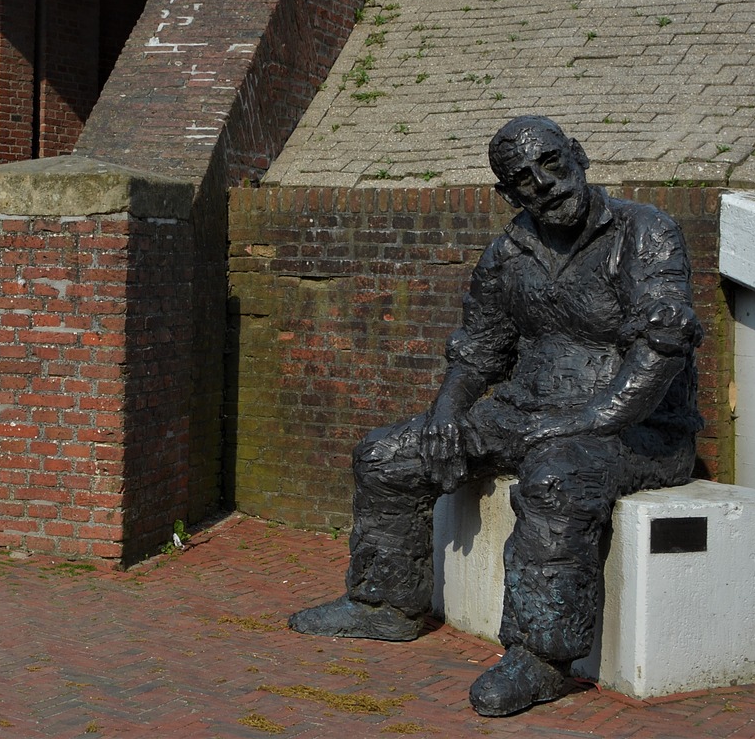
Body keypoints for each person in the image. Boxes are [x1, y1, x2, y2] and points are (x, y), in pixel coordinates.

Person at [288, 116, 702, 717]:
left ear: (578, 156)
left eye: (552, 164)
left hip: (633, 426)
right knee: (385, 457)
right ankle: (384, 604)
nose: (545, 184)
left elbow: (662, 346)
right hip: (525, 411)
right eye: (523, 180)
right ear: (509, 193)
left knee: (556, 478)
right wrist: (446, 415)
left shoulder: (646, 232)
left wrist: (583, 420)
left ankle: (542, 657)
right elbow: (479, 348)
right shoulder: (508, 251)